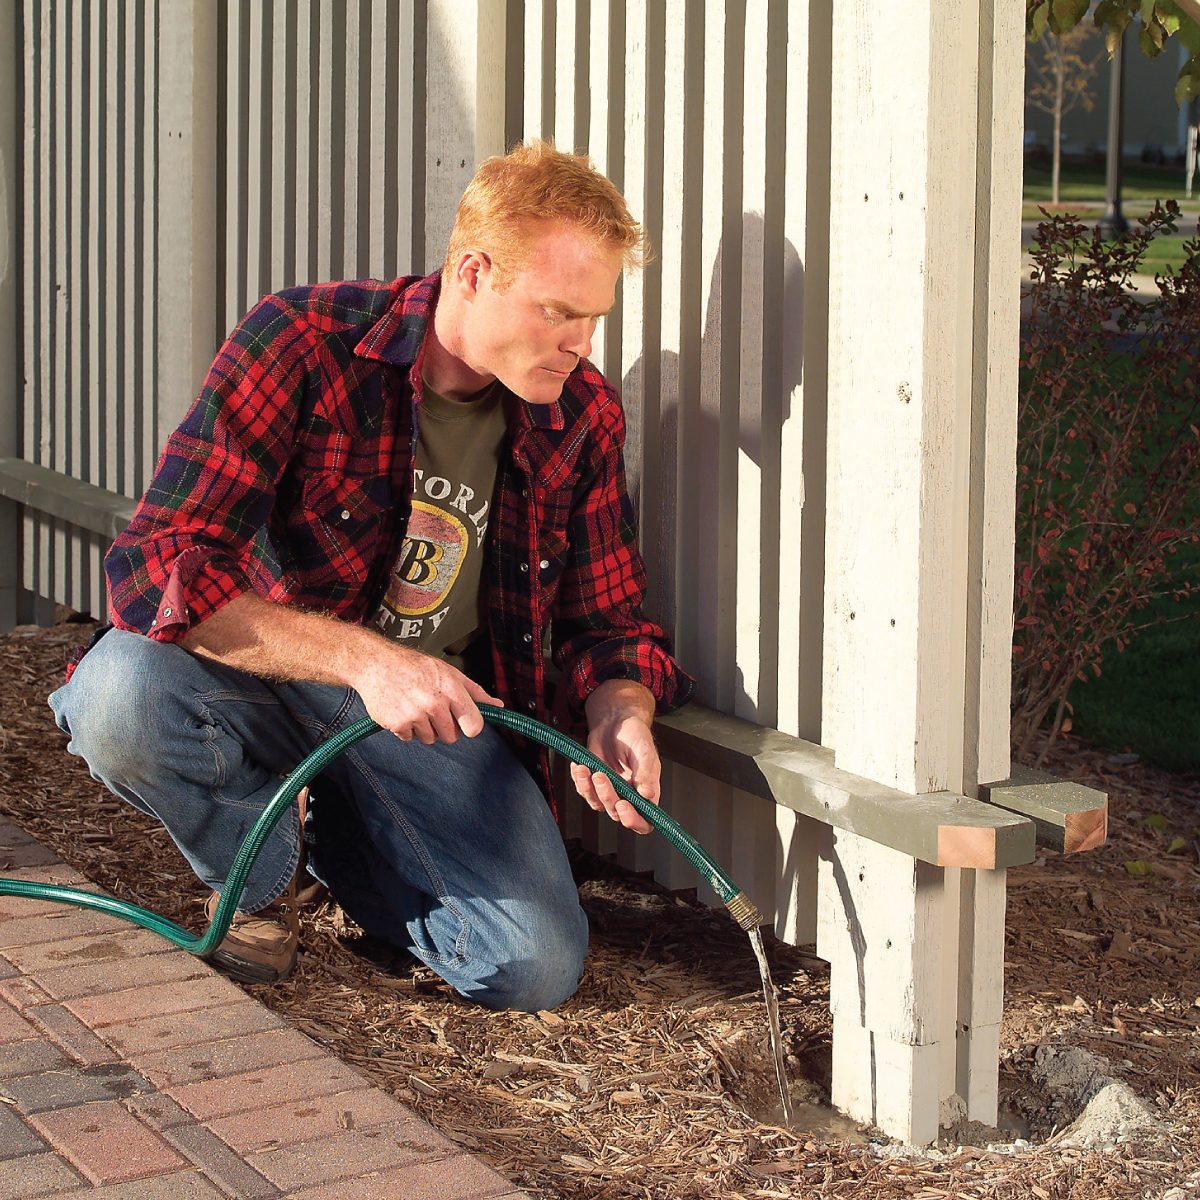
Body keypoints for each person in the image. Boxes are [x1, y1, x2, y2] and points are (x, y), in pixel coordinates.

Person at [48, 140, 693, 1012]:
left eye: (594, 320)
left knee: (530, 969)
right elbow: (160, 562)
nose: (580, 343)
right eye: (557, 312)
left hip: (444, 726)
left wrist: (622, 708)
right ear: (473, 272)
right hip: (284, 682)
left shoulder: (581, 413)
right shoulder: (307, 341)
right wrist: (369, 662)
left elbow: (607, 620)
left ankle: (342, 848)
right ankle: (260, 876)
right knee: (117, 693)